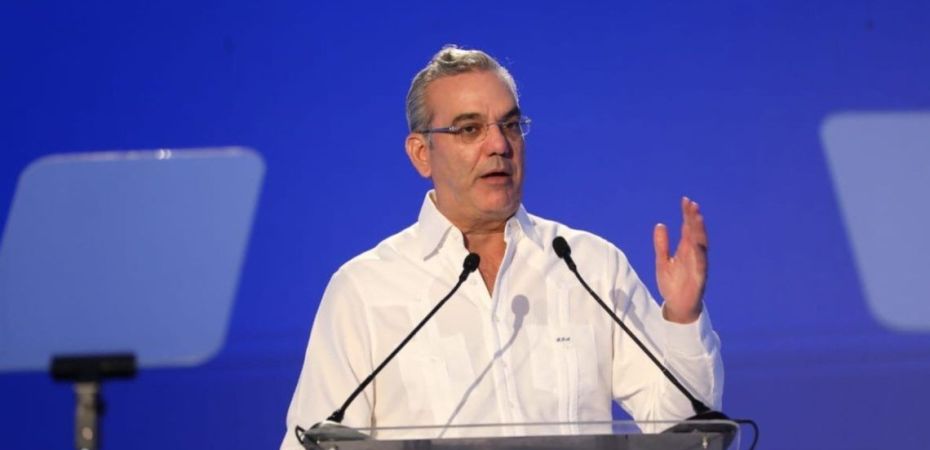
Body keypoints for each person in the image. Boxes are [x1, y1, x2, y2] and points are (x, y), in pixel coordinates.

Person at [280, 46, 723, 449]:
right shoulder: (365, 289)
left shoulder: (589, 266)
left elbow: (685, 433)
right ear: (421, 154)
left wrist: (682, 319)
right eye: (469, 129)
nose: (499, 145)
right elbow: (316, 443)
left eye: (510, 125)